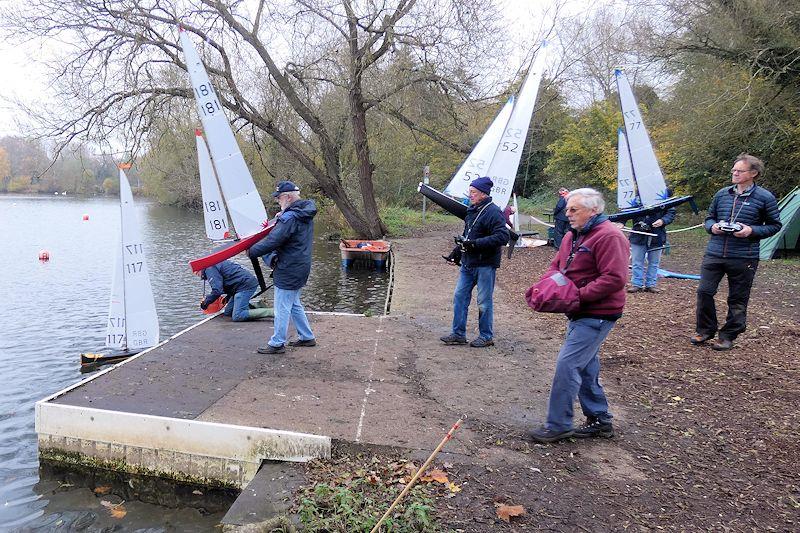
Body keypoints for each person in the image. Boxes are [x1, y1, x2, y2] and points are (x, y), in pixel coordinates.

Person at [528, 188, 629, 443]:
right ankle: (600, 420)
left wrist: (577, 296)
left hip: (598, 313)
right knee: (585, 364)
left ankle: (559, 424)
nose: (567, 214)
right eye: (566, 209)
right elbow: (557, 265)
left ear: (593, 210)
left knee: (568, 365)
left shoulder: (609, 236)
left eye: (574, 209)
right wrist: (548, 285)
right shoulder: (572, 236)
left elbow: (615, 279)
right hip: (579, 311)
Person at [692, 154, 781, 351]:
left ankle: (728, 336)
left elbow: (775, 225)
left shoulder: (765, 197)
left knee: (737, 298)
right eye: (733, 170)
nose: (734, 173)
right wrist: (712, 227)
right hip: (715, 252)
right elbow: (709, 218)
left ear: (753, 174)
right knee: (704, 291)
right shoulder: (722, 194)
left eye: (739, 171)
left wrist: (751, 231)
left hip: (744, 256)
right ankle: (705, 330)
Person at [247, 181, 318, 354]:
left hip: (288, 268)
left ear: (287, 197)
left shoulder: (290, 218)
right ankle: (307, 337)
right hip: (301, 266)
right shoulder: (303, 213)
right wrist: (283, 216)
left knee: (281, 307)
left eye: (279, 198)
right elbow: (290, 233)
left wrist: (251, 250)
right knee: (294, 304)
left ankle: (277, 343)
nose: (278, 201)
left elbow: (273, 241)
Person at [440, 177, 509, 348]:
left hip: (485, 264)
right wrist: (456, 252)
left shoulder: (493, 212)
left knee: (483, 301)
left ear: (483, 194)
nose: (470, 195)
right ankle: (458, 334)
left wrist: (475, 244)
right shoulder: (472, 210)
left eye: (473, 192)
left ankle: (486, 336)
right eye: (470, 191)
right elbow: (468, 235)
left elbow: (503, 236)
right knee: (459, 297)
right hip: (468, 264)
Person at [197, 260, 274, 321]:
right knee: (228, 312)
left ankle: (272, 312)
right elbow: (229, 281)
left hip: (245, 286)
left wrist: (206, 303)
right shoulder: (211, 266)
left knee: (238, 315)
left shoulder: (210, 269)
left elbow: (217, 290)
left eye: (196, 271)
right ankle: (260, 305)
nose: (195, 273)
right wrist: (227, 297)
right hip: (239, 286)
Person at [627, 205, 676, 293]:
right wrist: (621, 222)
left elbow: (671, 212)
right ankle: (637, 284)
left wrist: (663, 220)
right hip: (638, 235)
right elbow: (626, 212)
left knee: (654, 262)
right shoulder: (637, 199)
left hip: (657, 235)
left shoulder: (663, 198)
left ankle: (651, 284)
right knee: (637, 261)